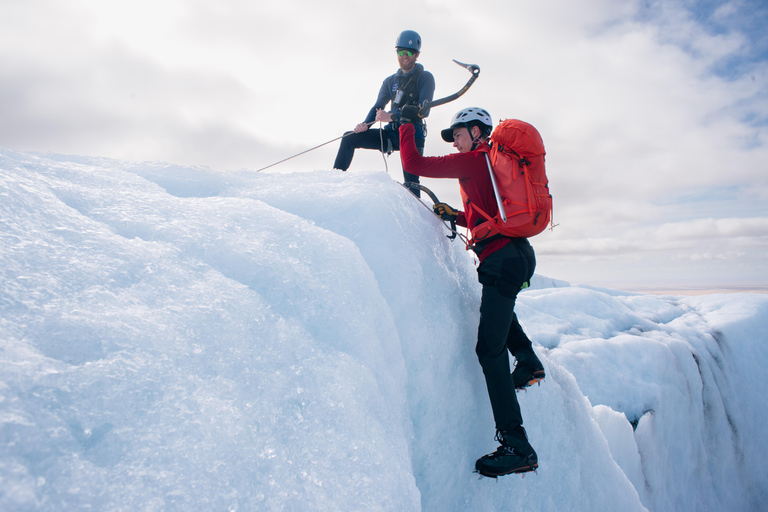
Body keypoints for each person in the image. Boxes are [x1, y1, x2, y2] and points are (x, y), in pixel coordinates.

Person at [398, 106, 546, 477]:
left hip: (502, 260)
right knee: (496, 310)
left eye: (458, 134)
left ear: (477, 131)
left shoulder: (474, 160)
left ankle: (517, 445)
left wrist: (405, 126)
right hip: (515, 256)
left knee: (488, 349)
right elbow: (488, 214)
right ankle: (528, 362)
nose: (455, 141)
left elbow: (415, 160)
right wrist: (456, 215)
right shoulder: (488, 167)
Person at [333, 30, 435, 195]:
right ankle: (333, 182)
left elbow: (425, 111)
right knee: (348, 138)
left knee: (411, 184)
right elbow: (377, 107)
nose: (405, 55)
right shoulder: (390, 81)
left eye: (409, 52)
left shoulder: (425, 77)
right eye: (401, 51)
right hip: (391, 134)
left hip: (412, 136)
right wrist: (365, 125)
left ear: (417, 55)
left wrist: (392, 117)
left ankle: (416, 216)